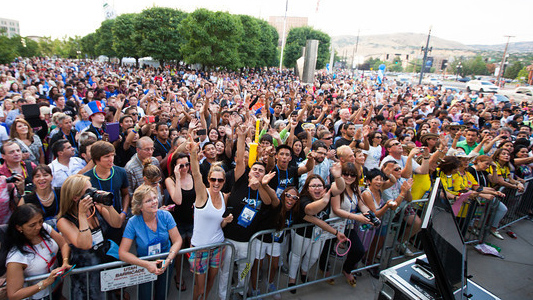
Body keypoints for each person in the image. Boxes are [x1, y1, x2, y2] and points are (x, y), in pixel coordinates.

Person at [218, 124, 277, 300]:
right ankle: (222, 296)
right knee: (225, 271)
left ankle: (242, 292)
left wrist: (262, 186)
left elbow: (268, 203)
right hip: (230, 238)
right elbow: (241, 161)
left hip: (249, 241)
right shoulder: (240, 180)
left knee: (244, 270)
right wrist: (242, 137)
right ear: (249, 171)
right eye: (255, 169)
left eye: (261, 170)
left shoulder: (264, 189)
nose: (257, 171)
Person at [56, 174, 123, 300]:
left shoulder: (95, 208)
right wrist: (81, 215)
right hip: (85, 274)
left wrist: (108, 205)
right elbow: (85, 244)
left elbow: (117, 223)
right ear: (76, 197)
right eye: (88, 191)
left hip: (104, 267)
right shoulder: (64, 221)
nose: (93, 193)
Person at [119, 185, 182, 300]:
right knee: (145, 295)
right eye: (148, 200)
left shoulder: (165, 215)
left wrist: (168, 260)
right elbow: (122, 253)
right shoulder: (133, 222)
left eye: (154, 198)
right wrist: (146, 264)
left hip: (165, 260)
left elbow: (177, 240)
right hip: (144, 263)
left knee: (162, 294)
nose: (154, 202)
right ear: (140, 206)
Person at [188, 139, 233, 300]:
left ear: (224, 182)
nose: (216, 183)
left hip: (218, 246)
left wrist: (225, 222)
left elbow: (218, 223)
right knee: (199, 288)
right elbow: (195, 174)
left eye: (220, 180)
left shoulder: (223, 196)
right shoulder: (202, 194)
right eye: (213, 179)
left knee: (210, 282)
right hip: (200, 248)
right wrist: (193, 153)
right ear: (208, 179)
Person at [287, 174, 347, 293]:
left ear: (324, 187)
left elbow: (340, 187)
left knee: (313, 256)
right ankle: (292, 279)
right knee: (296, 255)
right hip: (302, 234)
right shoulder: (303, 199)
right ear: (307, 188)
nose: (317, 188)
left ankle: (304, 271)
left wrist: (338, 176)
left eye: (319, 185)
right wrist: (325, 199)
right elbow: (311, 212)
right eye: (313, 186)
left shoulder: (326, 192)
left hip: (320, 233)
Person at [0, 204, 71, 300]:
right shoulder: (16, 257)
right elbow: (14, 294)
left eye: (40, 221)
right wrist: (45, 283)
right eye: (32, 225)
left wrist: (65, 261)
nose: (38, 227)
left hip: (56, 291)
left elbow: (63, 244)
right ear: (19, 227)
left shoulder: (44, 228)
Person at [329, 162, 373, 287]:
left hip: (348, 226)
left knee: (359, 250)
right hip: (332, 226)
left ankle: (347, 269)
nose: (349, 177)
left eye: (352, 175)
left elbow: (362, 205)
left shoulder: (356, 188)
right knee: (325, 251)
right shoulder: (335, 186)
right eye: (346, 174)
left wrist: (369, 214)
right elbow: (336, 209)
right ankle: (325, 270)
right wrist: (357, 217)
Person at [165, 152, 195, 291]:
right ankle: (178, 276)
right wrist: (177, 178)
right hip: (177, 222)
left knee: (192, 248)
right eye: (181, 166)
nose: (184, 168)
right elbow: (177, 200)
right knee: (178, 251)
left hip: (193, 220)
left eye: (187, 164)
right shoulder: (170, 180)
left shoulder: (193, 176)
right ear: (175, 167)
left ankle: (195, 271)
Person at [84, 141, 130, 225]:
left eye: (112, 155)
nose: (111, 159)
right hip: (98, 221)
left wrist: (124, 211)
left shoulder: (121, 172)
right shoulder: (87, 178)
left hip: (118, 216)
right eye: (106, 157)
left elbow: (125, 194)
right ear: (96, 159)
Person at [467, 155, 507, 239]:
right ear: (478, 161)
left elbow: (495, 180)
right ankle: (469, 229)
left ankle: (492, 228)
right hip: (475, 196)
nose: (487, 166)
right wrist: (494, 192)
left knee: (503, 209)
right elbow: (476, 188)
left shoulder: (483, 171)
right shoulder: (470, 170)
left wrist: (495, 169)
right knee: (472, 216)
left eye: (489, 165)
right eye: (486, 164)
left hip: (485, 195)